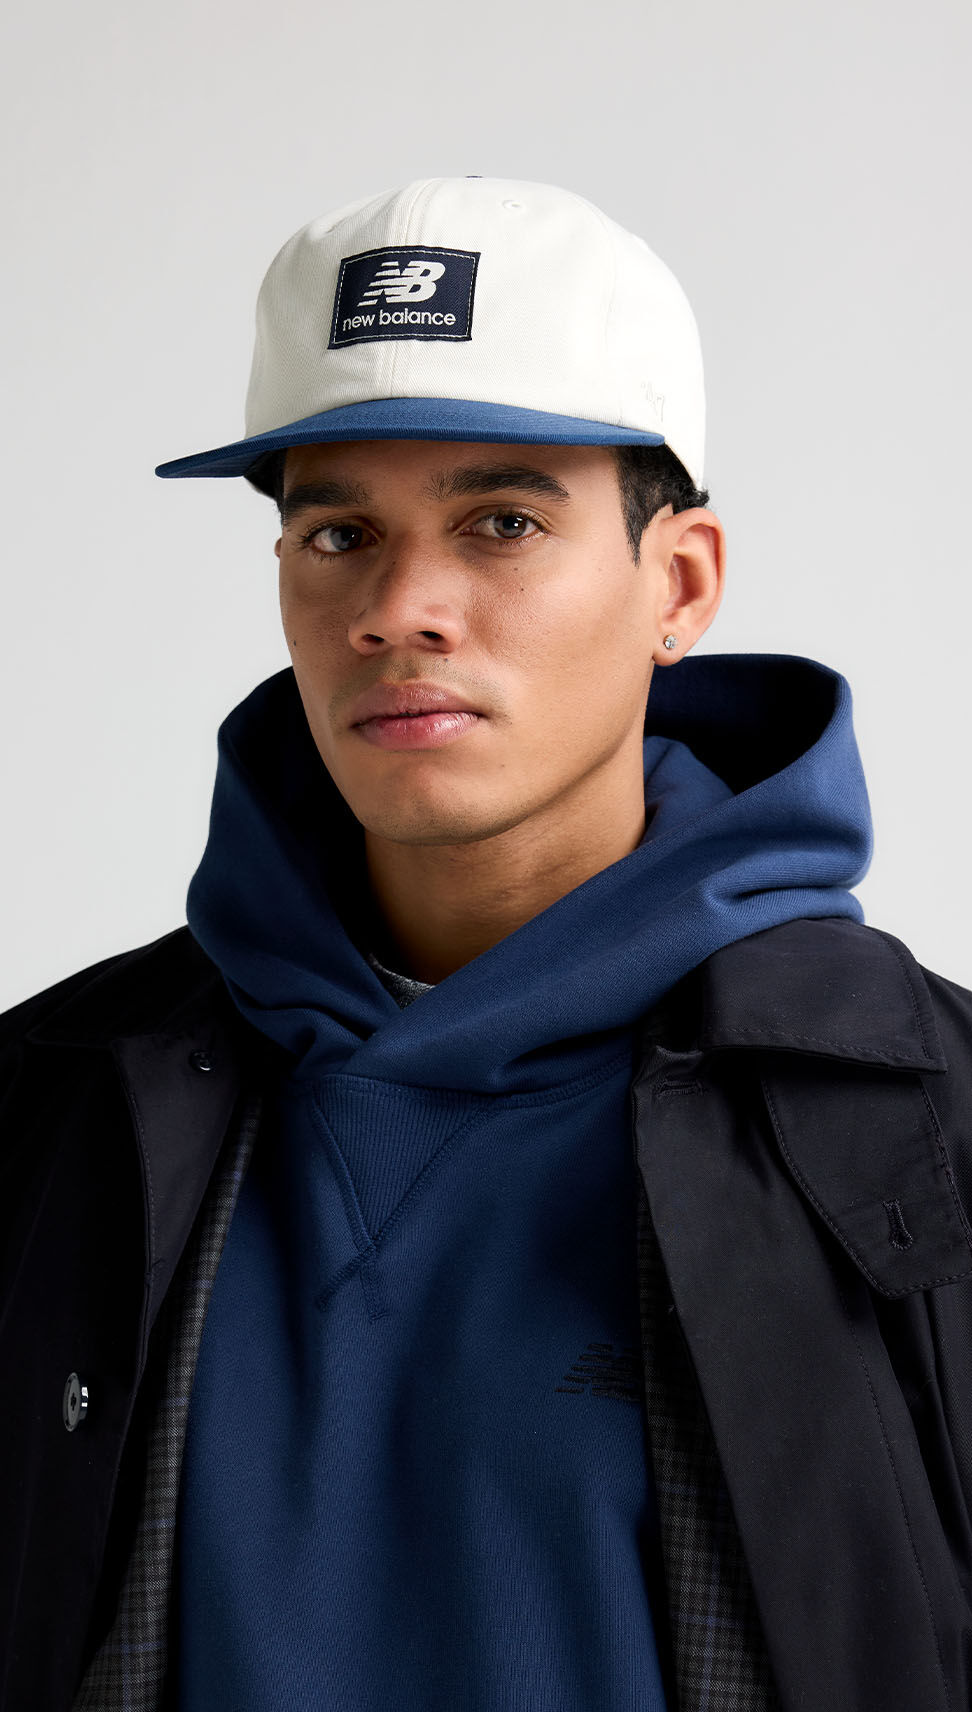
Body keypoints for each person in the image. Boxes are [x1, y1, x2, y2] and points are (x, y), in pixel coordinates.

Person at [2, 176, 972, 1712]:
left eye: (502, 521)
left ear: (682, 582)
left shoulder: (923, 1122)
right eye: (338, 532)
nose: (400, 607)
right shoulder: (55, 1101)